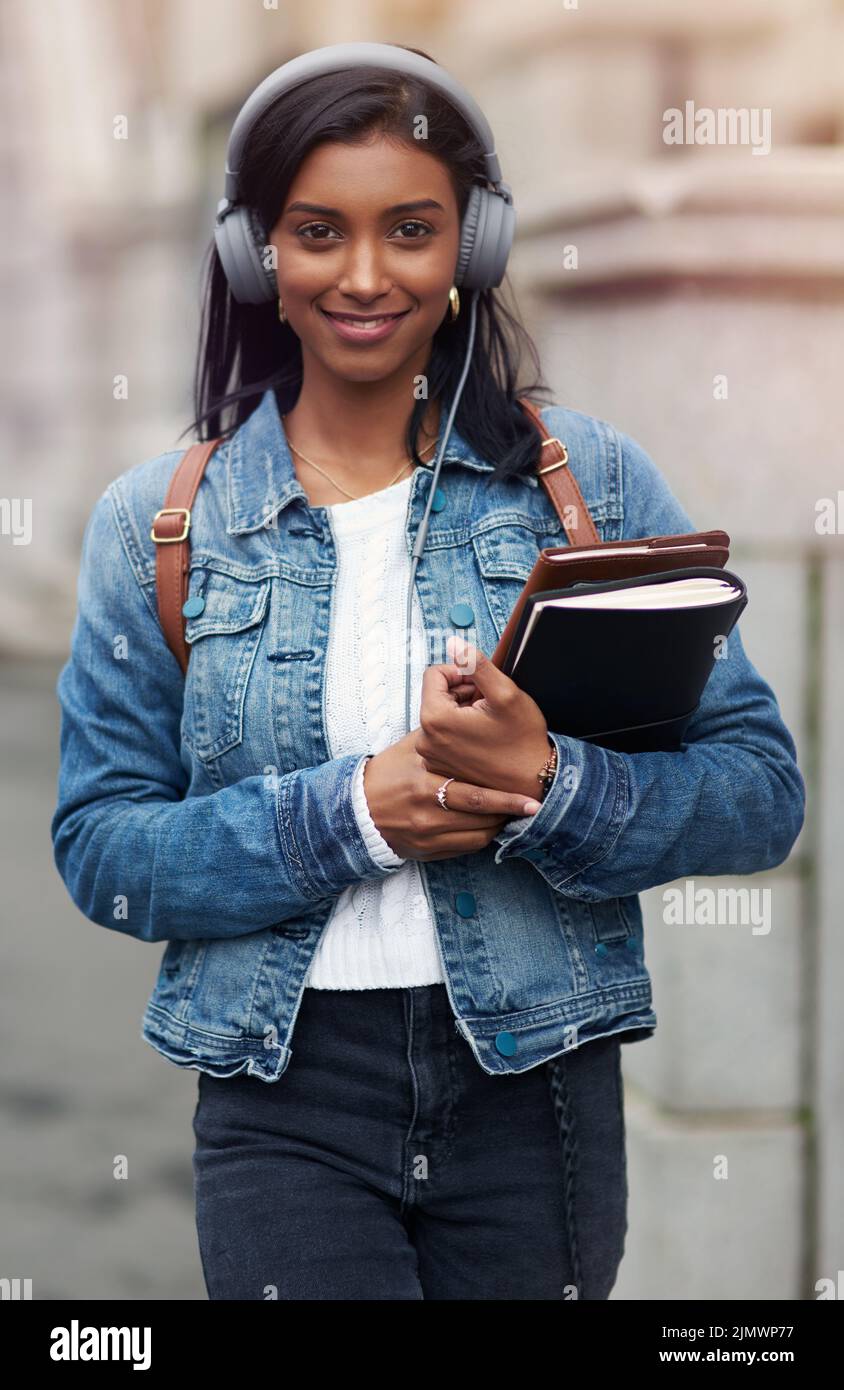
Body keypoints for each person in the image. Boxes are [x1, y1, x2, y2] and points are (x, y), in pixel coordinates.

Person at [50, 43, 805, 1301]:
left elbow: (758, 792)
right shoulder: (158, 527)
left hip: (538, 1086)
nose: (362, 275)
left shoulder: (589, 486)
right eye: (315, 231)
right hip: (282, 1088)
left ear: (474, 247)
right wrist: (351, 817)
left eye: (411, 229)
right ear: (255, 255)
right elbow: (104, 850)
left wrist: (550, 784)